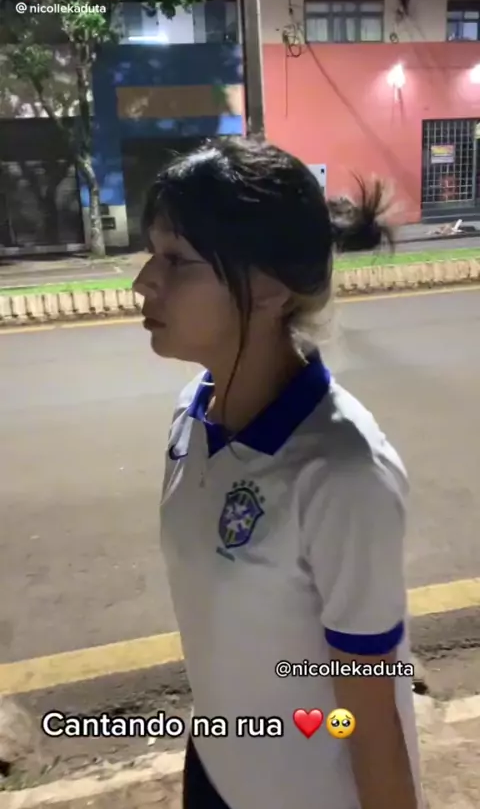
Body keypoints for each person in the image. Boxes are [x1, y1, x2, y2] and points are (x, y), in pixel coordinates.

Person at [133, 136, 423, 809]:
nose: (144, 280)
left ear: (266, 287)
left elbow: (372, 715)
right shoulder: (192, 414)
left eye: (176, 260)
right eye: (152, 254)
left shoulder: (343, 471)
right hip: (216, 771)